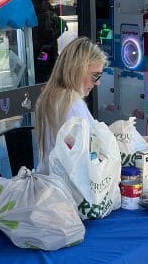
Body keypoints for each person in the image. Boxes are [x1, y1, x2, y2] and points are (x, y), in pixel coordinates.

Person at [35, 37, 107, 175]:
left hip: (51, 182)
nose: (98, 83)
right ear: (77, 70)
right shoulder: (71, 102)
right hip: (70, 189)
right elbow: (95, 148)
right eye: (95, 76)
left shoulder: (51, 95)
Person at [32, 0, 66, 83]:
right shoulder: (43, 16)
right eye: (46, 1)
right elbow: (48, 38)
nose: (48, 3)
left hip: (44, 51)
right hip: (44, 51)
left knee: (45, 70)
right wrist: (60, 28)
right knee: (44, 71)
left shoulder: (44, 14)